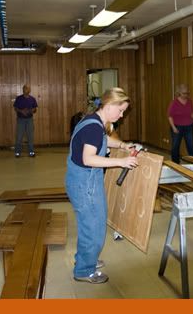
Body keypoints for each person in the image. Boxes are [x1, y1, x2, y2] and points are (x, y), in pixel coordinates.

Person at [65, 87, 138, 284]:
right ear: (109, 105)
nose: (122, 116)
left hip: (83, 180)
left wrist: (122, 145)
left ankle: (86, 259)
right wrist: (121, 162)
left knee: (91, 223)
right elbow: (88, 159)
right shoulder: (94, 127)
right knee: (94, 227)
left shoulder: (93, 120)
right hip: (84, 182)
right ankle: (84, 270)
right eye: (120, 110)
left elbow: (102, 140)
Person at [167, 83, 193, 164]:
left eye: (187, 93)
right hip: (177, 127)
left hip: (188, 126)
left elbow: (191, 113)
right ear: (179, 93)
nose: (186, 95)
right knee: (175, 146)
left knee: (191, 146)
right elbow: (170, 116)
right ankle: (175, 163)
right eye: (184, 93)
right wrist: (173, 127)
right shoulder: (174, 103)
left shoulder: (189, 102)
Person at [13, 84, 38, 157]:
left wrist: (30, 111)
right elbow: (15, 108)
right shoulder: (18, 98)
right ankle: (17, 153)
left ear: (29, 90)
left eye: (27, 88)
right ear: (23, 89)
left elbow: (35, 109)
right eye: (24, 88)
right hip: (20, 120)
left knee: (30, 136)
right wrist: (21, 111)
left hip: (29, 120)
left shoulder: (32, 99)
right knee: (19, 136)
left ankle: (31, 152)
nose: (25, 89)